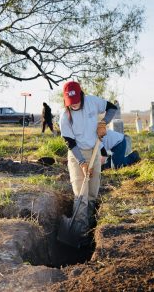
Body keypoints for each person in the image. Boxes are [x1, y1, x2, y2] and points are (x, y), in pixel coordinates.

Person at [59, 81, 117, 244]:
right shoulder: (64, 117)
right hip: (77, 153)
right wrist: (82, 163)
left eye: (76, 101)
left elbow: (112, 107)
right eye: (70, 103)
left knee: (92, 194)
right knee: (81, 195)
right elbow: (70, 143)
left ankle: (91, 229)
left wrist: (104, 122)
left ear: (81, 95)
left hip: (94, 150)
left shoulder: (93, 102)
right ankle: (80, 235)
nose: (74, 105)